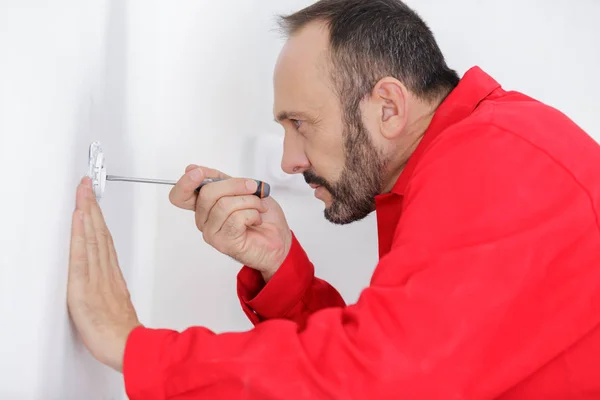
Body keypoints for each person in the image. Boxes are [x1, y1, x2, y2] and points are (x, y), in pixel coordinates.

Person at [66, 0, 600, 398]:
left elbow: (380, 378)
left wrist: (133, 348)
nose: (288, 162)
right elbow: (396, 358)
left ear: (388, 106)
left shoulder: (498, 161)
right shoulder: (468, 156)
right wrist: (280, 270)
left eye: (300, 123)